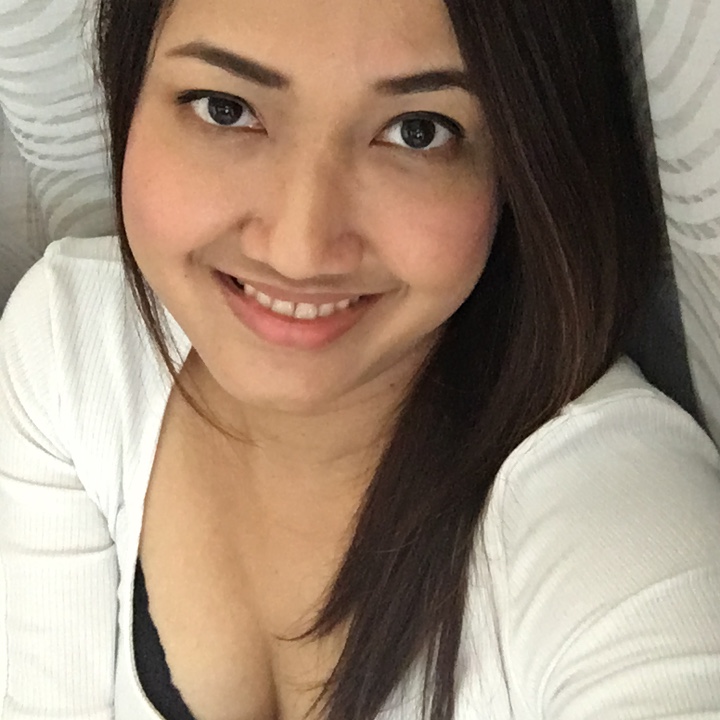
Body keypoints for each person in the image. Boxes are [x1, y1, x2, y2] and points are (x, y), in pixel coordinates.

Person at [1, 0, 720, 718]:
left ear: (517, 166)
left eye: (417, 131)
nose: (300, 250)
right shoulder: (72, 347)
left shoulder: (614, 524)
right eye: (226, 109)